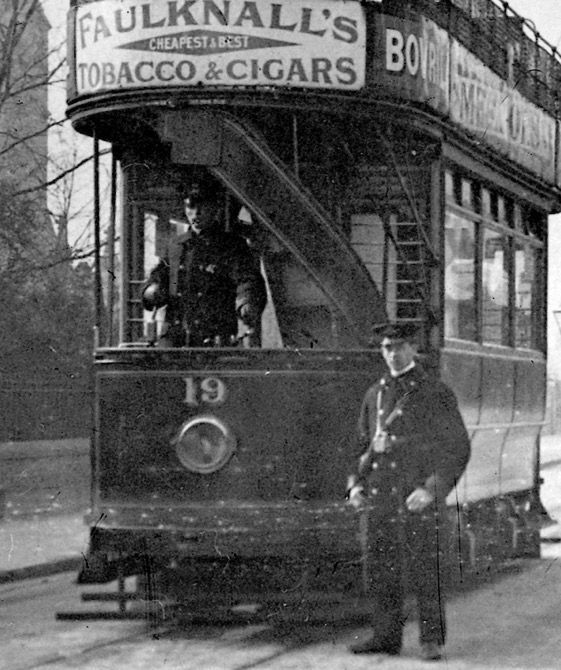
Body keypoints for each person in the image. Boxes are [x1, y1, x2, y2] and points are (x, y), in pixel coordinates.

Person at [346, 322, 471, 662]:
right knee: (380, 568)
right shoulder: (375, 393)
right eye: (387, 347)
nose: (393, 353)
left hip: (416, 495)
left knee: (426, 570)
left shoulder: (434, 392)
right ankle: (386, 636)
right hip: (380, 496)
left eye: (400, 346)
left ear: (414, 349)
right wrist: (355, 484)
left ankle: (431, 640)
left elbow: (456, 448)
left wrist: (432, 490)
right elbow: (361, 445)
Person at [142, 180, 267, 347]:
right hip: (175, 337)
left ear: (215, 209)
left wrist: (247, 300)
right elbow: (158, 276)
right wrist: (151, 290)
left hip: (215, 338)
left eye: (203, 207)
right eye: (190, 207)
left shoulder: (232, 246)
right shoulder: (176, 245)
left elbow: (248, 279)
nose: (196, 213)